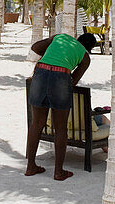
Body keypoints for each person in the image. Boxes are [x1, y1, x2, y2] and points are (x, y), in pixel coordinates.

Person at [24, 32, 98, 180]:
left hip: (40, 72)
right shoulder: (85, 57)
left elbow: (35, 47)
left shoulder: (60, 37)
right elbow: (73, 81)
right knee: (60, 127)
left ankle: (31, 166)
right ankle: (58, 171)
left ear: (77, 39)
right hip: (61, 75)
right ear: (89, 48)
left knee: (36, 124)